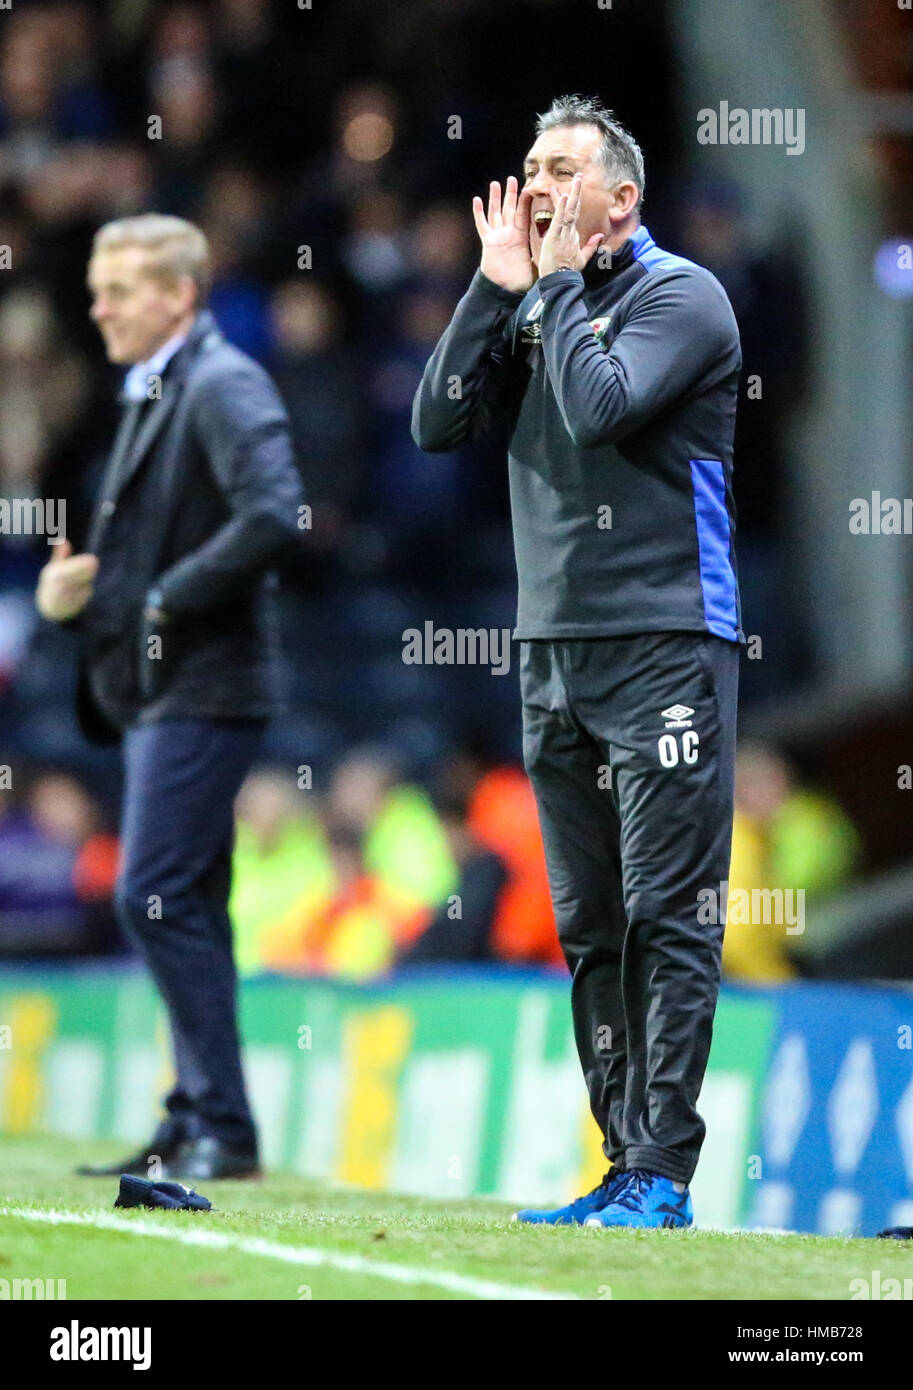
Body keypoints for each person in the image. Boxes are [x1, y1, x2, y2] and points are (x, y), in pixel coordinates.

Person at [413, 96, 742, 1229]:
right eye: (529, 164)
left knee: (666, 914)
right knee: (590, 922)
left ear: (620, 197)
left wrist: (545, 292)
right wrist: (488, 290)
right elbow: (436, 424)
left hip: (664, 646)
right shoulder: (535, 306)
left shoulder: (679, 296)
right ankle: (619, 1162)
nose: (539, 183)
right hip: (550, 653)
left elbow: (600, 408)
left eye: (562, 167)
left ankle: (665, 1170)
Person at [35, 213, 303, 1180]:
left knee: (151, 892)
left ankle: (221, 1126)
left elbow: (274, 512)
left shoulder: (224, 383)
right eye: (98, 287)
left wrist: (159, 598)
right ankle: (198, 1113)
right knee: (184, 897)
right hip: (163, 684)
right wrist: (82, 599)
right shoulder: (160, 387)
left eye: (119, 289)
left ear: (179, 295)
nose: (97, 306)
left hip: (205, 682)